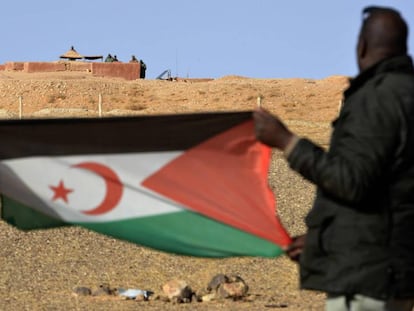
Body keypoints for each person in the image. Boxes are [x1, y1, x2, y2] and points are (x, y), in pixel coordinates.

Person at [253, 6, 414, 311]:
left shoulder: (378, 98)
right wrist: (322, 242)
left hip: (367, 283)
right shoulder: (404, 94)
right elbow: (381, 194)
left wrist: (287, 141)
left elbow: (351, 180)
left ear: (362, 46)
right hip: (391, 272)